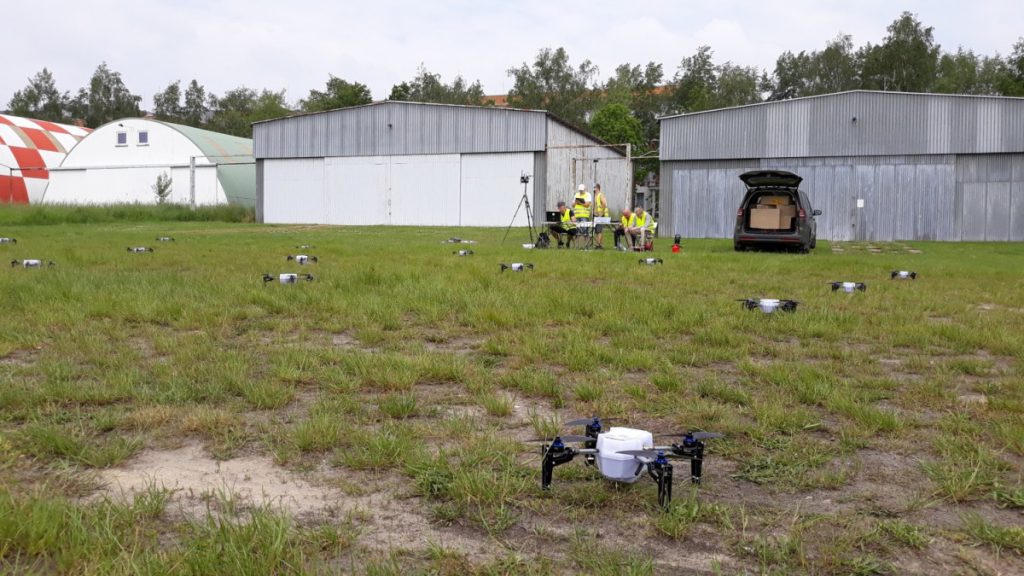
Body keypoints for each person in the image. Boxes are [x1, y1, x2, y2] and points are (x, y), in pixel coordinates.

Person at [592, 183, 609, 249]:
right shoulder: (595, 195)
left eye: (594, 188)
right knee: (597, 230)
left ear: (597, 188)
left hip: (600, 215)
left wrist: (601, 213)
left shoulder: (600, 195)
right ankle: (599, 244)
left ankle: (598, 245)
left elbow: (604, 203)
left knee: (599, 230)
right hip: (596, 215)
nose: (593, 189)